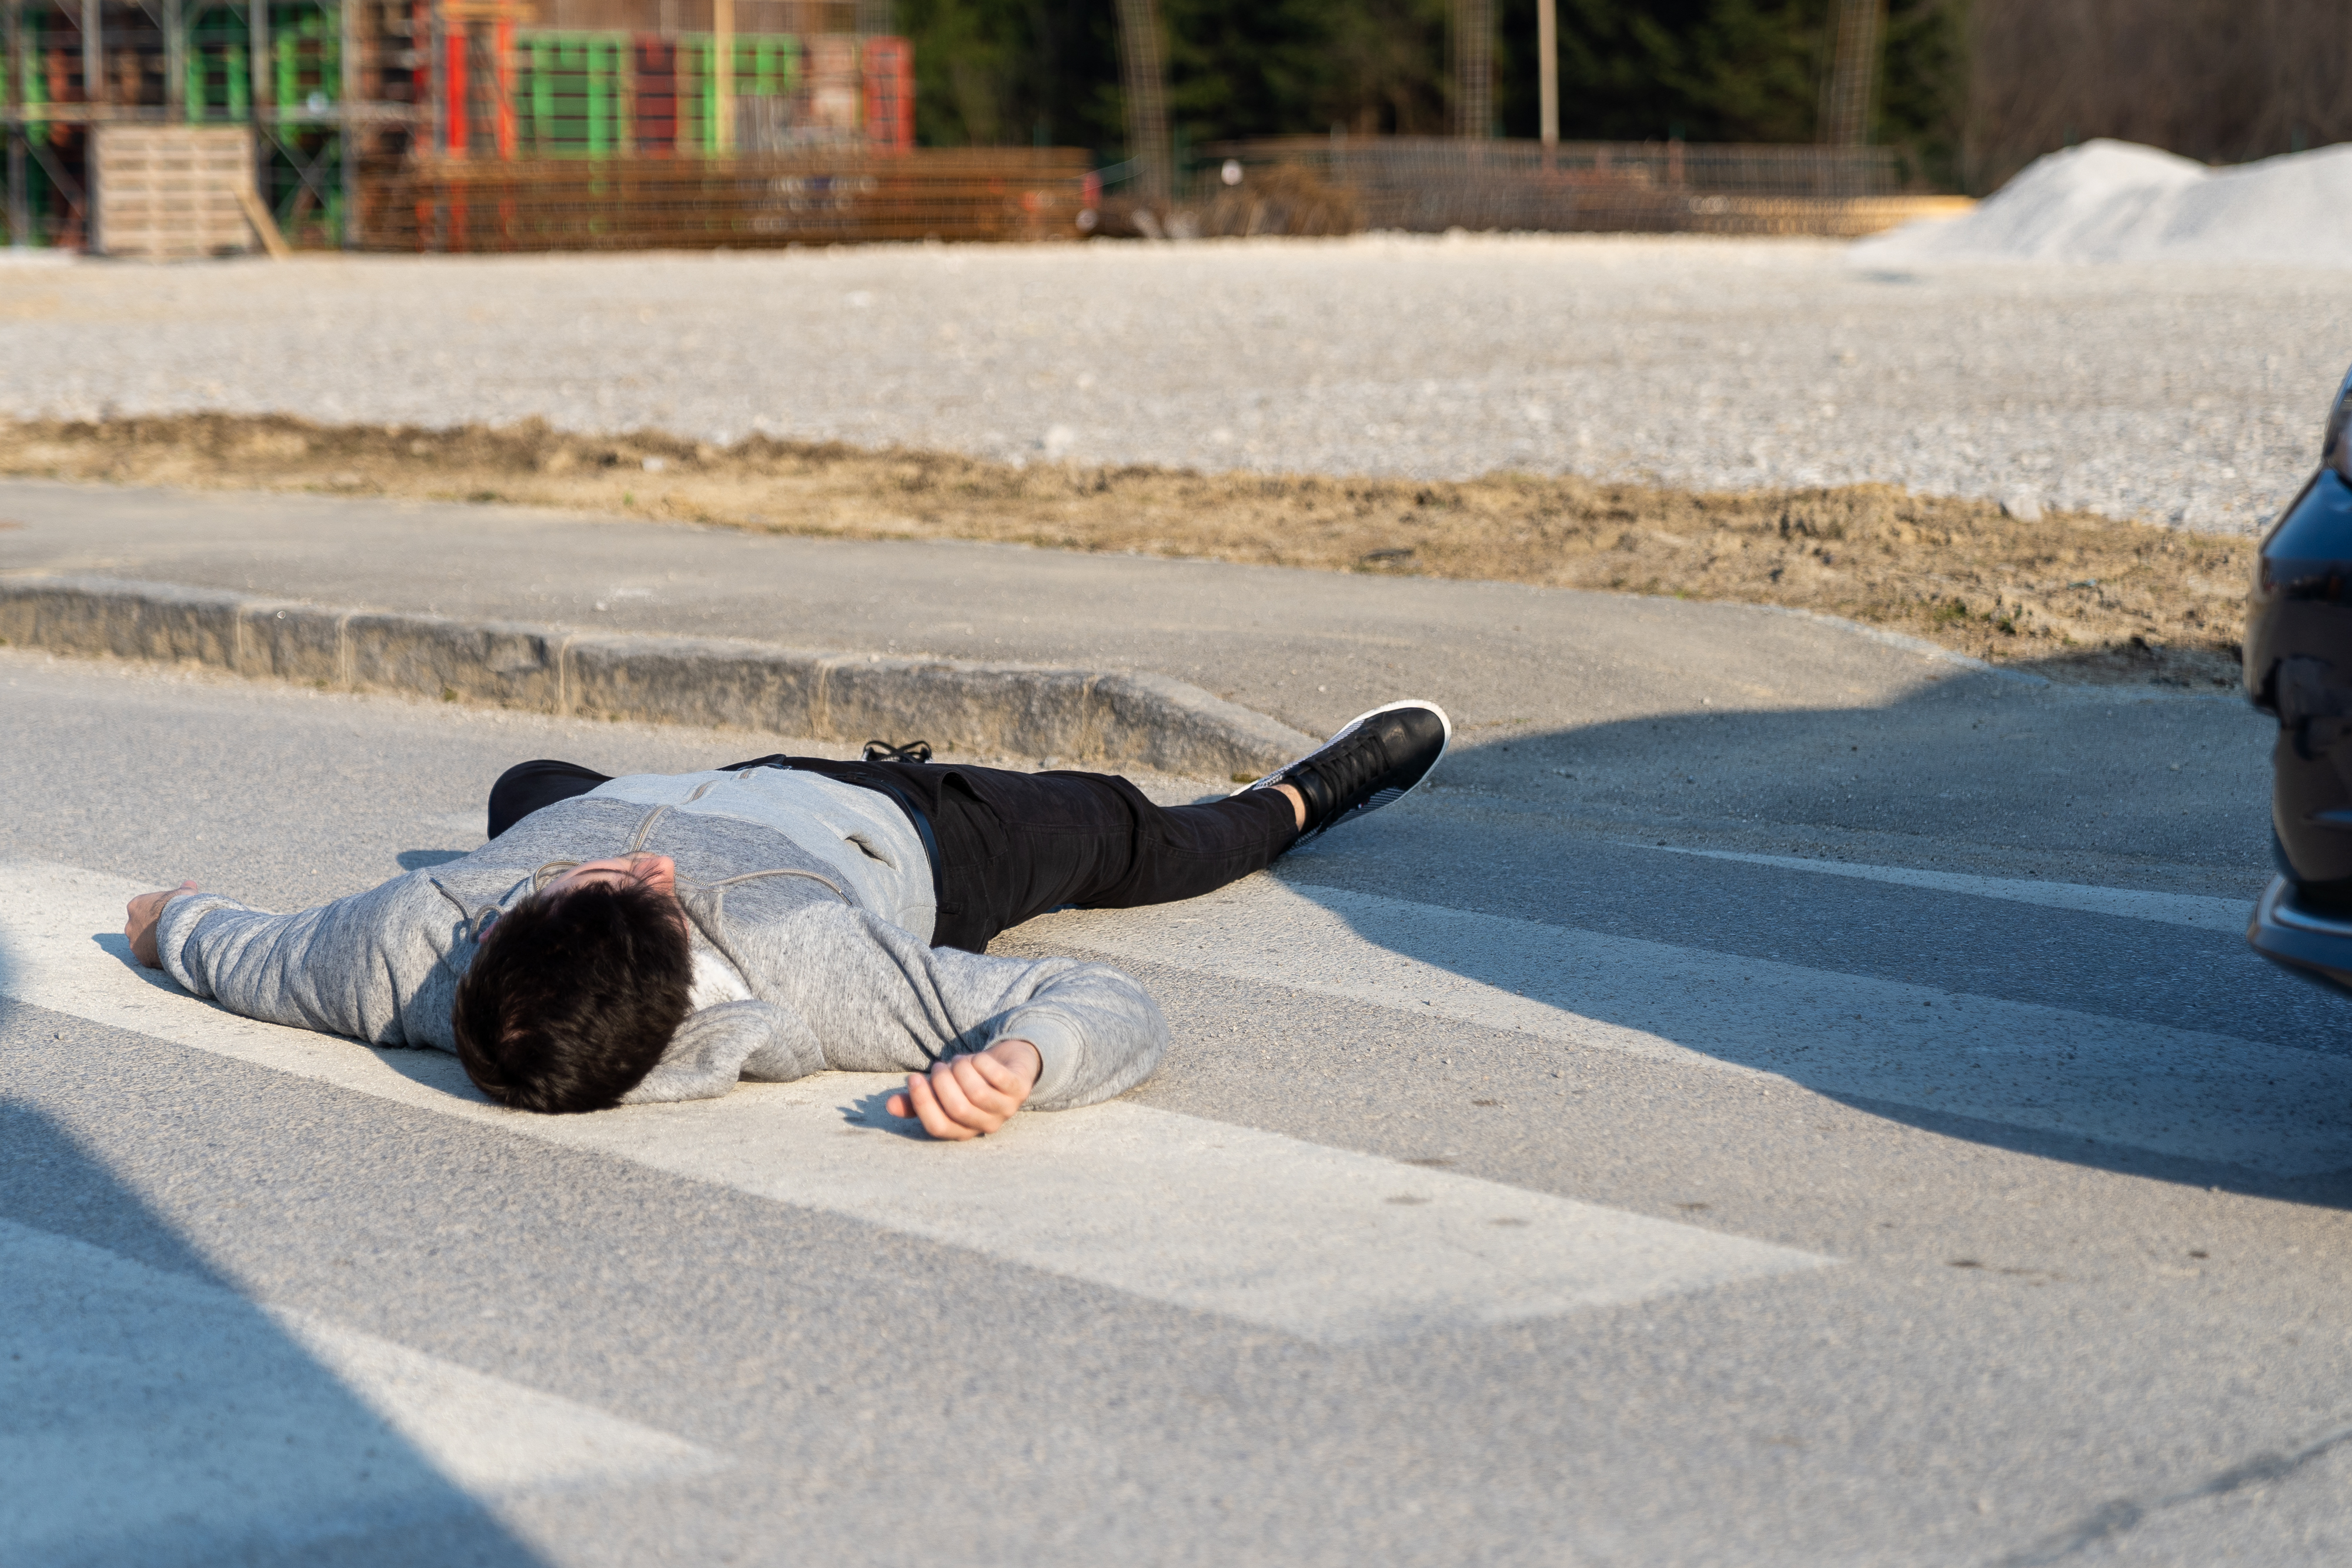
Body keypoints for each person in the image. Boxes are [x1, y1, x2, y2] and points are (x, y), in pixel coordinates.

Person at [125, 701, 1450, 1141]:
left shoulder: (405, 942)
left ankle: (553, 819)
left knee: (529, 790)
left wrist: (165, 918)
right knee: (1124, 833)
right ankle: (1304, 793)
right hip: (896, 821)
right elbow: (1109, 1001)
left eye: (567, 882)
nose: (634, 867)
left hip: (654, 782)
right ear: (689, 962)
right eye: (639, 889)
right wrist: (1024, 1062)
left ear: (495, 928)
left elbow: (246, 953)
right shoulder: (817, 974)